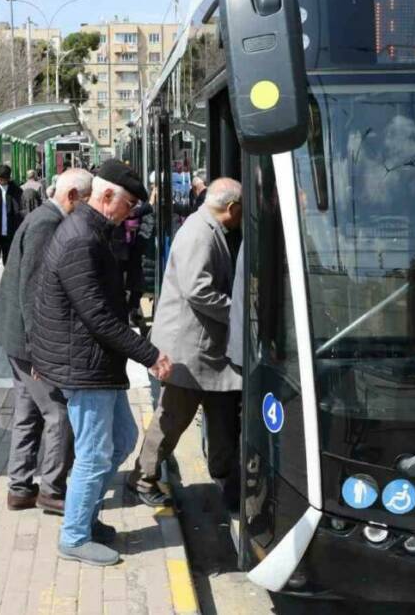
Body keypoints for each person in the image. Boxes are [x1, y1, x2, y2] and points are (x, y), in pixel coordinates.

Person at [30, 160, 174, 567]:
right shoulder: (81, 238)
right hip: (86, 366)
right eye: (128, 204)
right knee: (94, 455)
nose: (131, 213)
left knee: (123, 440)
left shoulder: (93, 231)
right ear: (107, 196)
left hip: (94, 364)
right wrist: (150, 356)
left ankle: (86, 518)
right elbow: (96, 315)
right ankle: (74, 535)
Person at [129, 178, 244, 509]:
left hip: (207, 351)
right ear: (232, 208)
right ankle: (142, 478)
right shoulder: (200, 233)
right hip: (189, 351)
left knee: (222, 416)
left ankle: (226, 477)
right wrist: (238, 312)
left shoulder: (207, 228)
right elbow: (198, 290)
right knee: (173, 417)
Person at [0, 168, 93, 515]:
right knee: (58, 413)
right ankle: (52, 489)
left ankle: (19, 488)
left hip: (15, 336)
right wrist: (39, 349)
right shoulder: (47, 224)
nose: (88, 209)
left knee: (28, 412)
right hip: (25, 340)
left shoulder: (42, 217)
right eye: (87, 201)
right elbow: (33, 292)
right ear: (73, 196)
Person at [0, 164, 26, 264]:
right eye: (0, 178)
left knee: (9, 264)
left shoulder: (16, 190)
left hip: (10, 234)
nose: (2, 181)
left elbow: (22, 210)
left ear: (9, 178)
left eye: (5, 179)